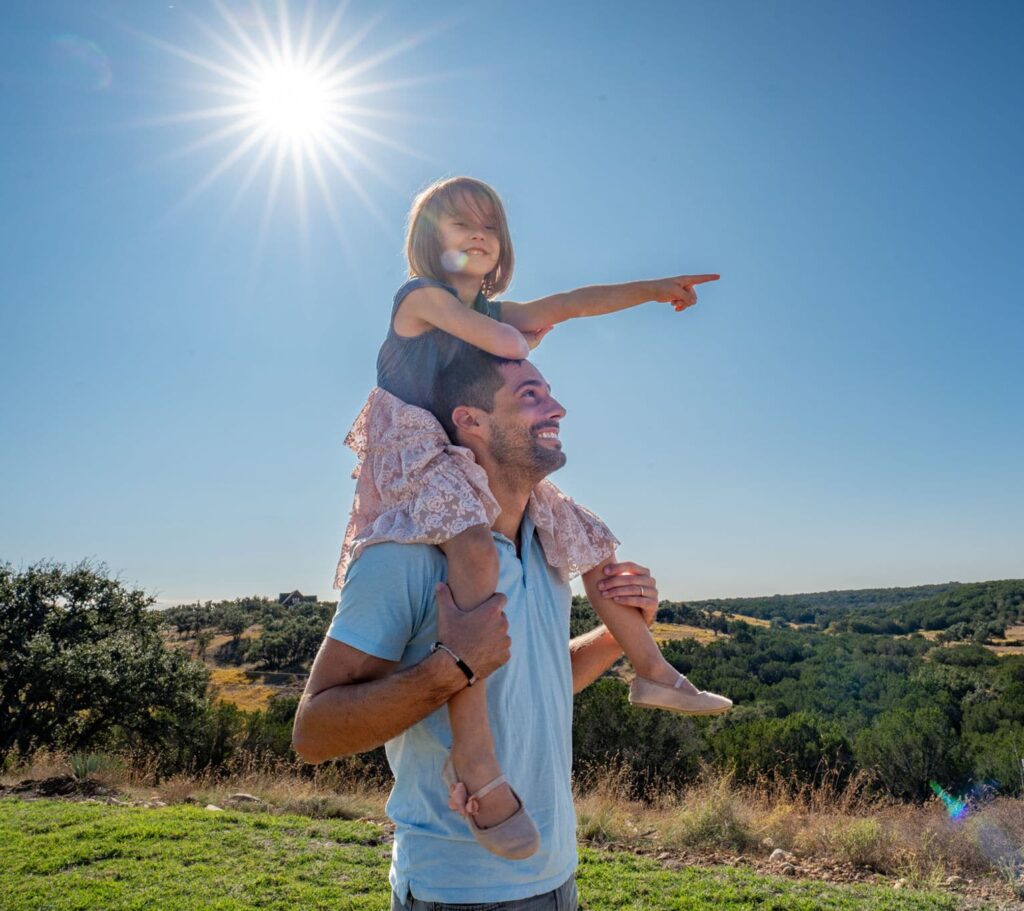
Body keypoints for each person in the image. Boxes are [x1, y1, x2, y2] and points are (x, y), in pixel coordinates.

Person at [330, 176, 731, 857]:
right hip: (424, 458)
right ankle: (479, 765)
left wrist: (652, 288)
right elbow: (510, 342)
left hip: (472, 455)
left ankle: (653, 671)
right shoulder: (421, 300)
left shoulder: (495, 314)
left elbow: (570, 305)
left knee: (584, 536)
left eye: (488, 223)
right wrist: (519, 331)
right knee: (476, 558)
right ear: (430, 240)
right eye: (459, 224)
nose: (478, 233)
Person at [294, 350, 670, 908]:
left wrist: (621, 632)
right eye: (530, 395)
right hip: (459, 891)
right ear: (471, 421)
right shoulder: (405, 555)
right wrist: (452, 667)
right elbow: (314, 734)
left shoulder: (547, 547)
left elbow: (533, 682)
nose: (557, 408)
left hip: (556, 872)